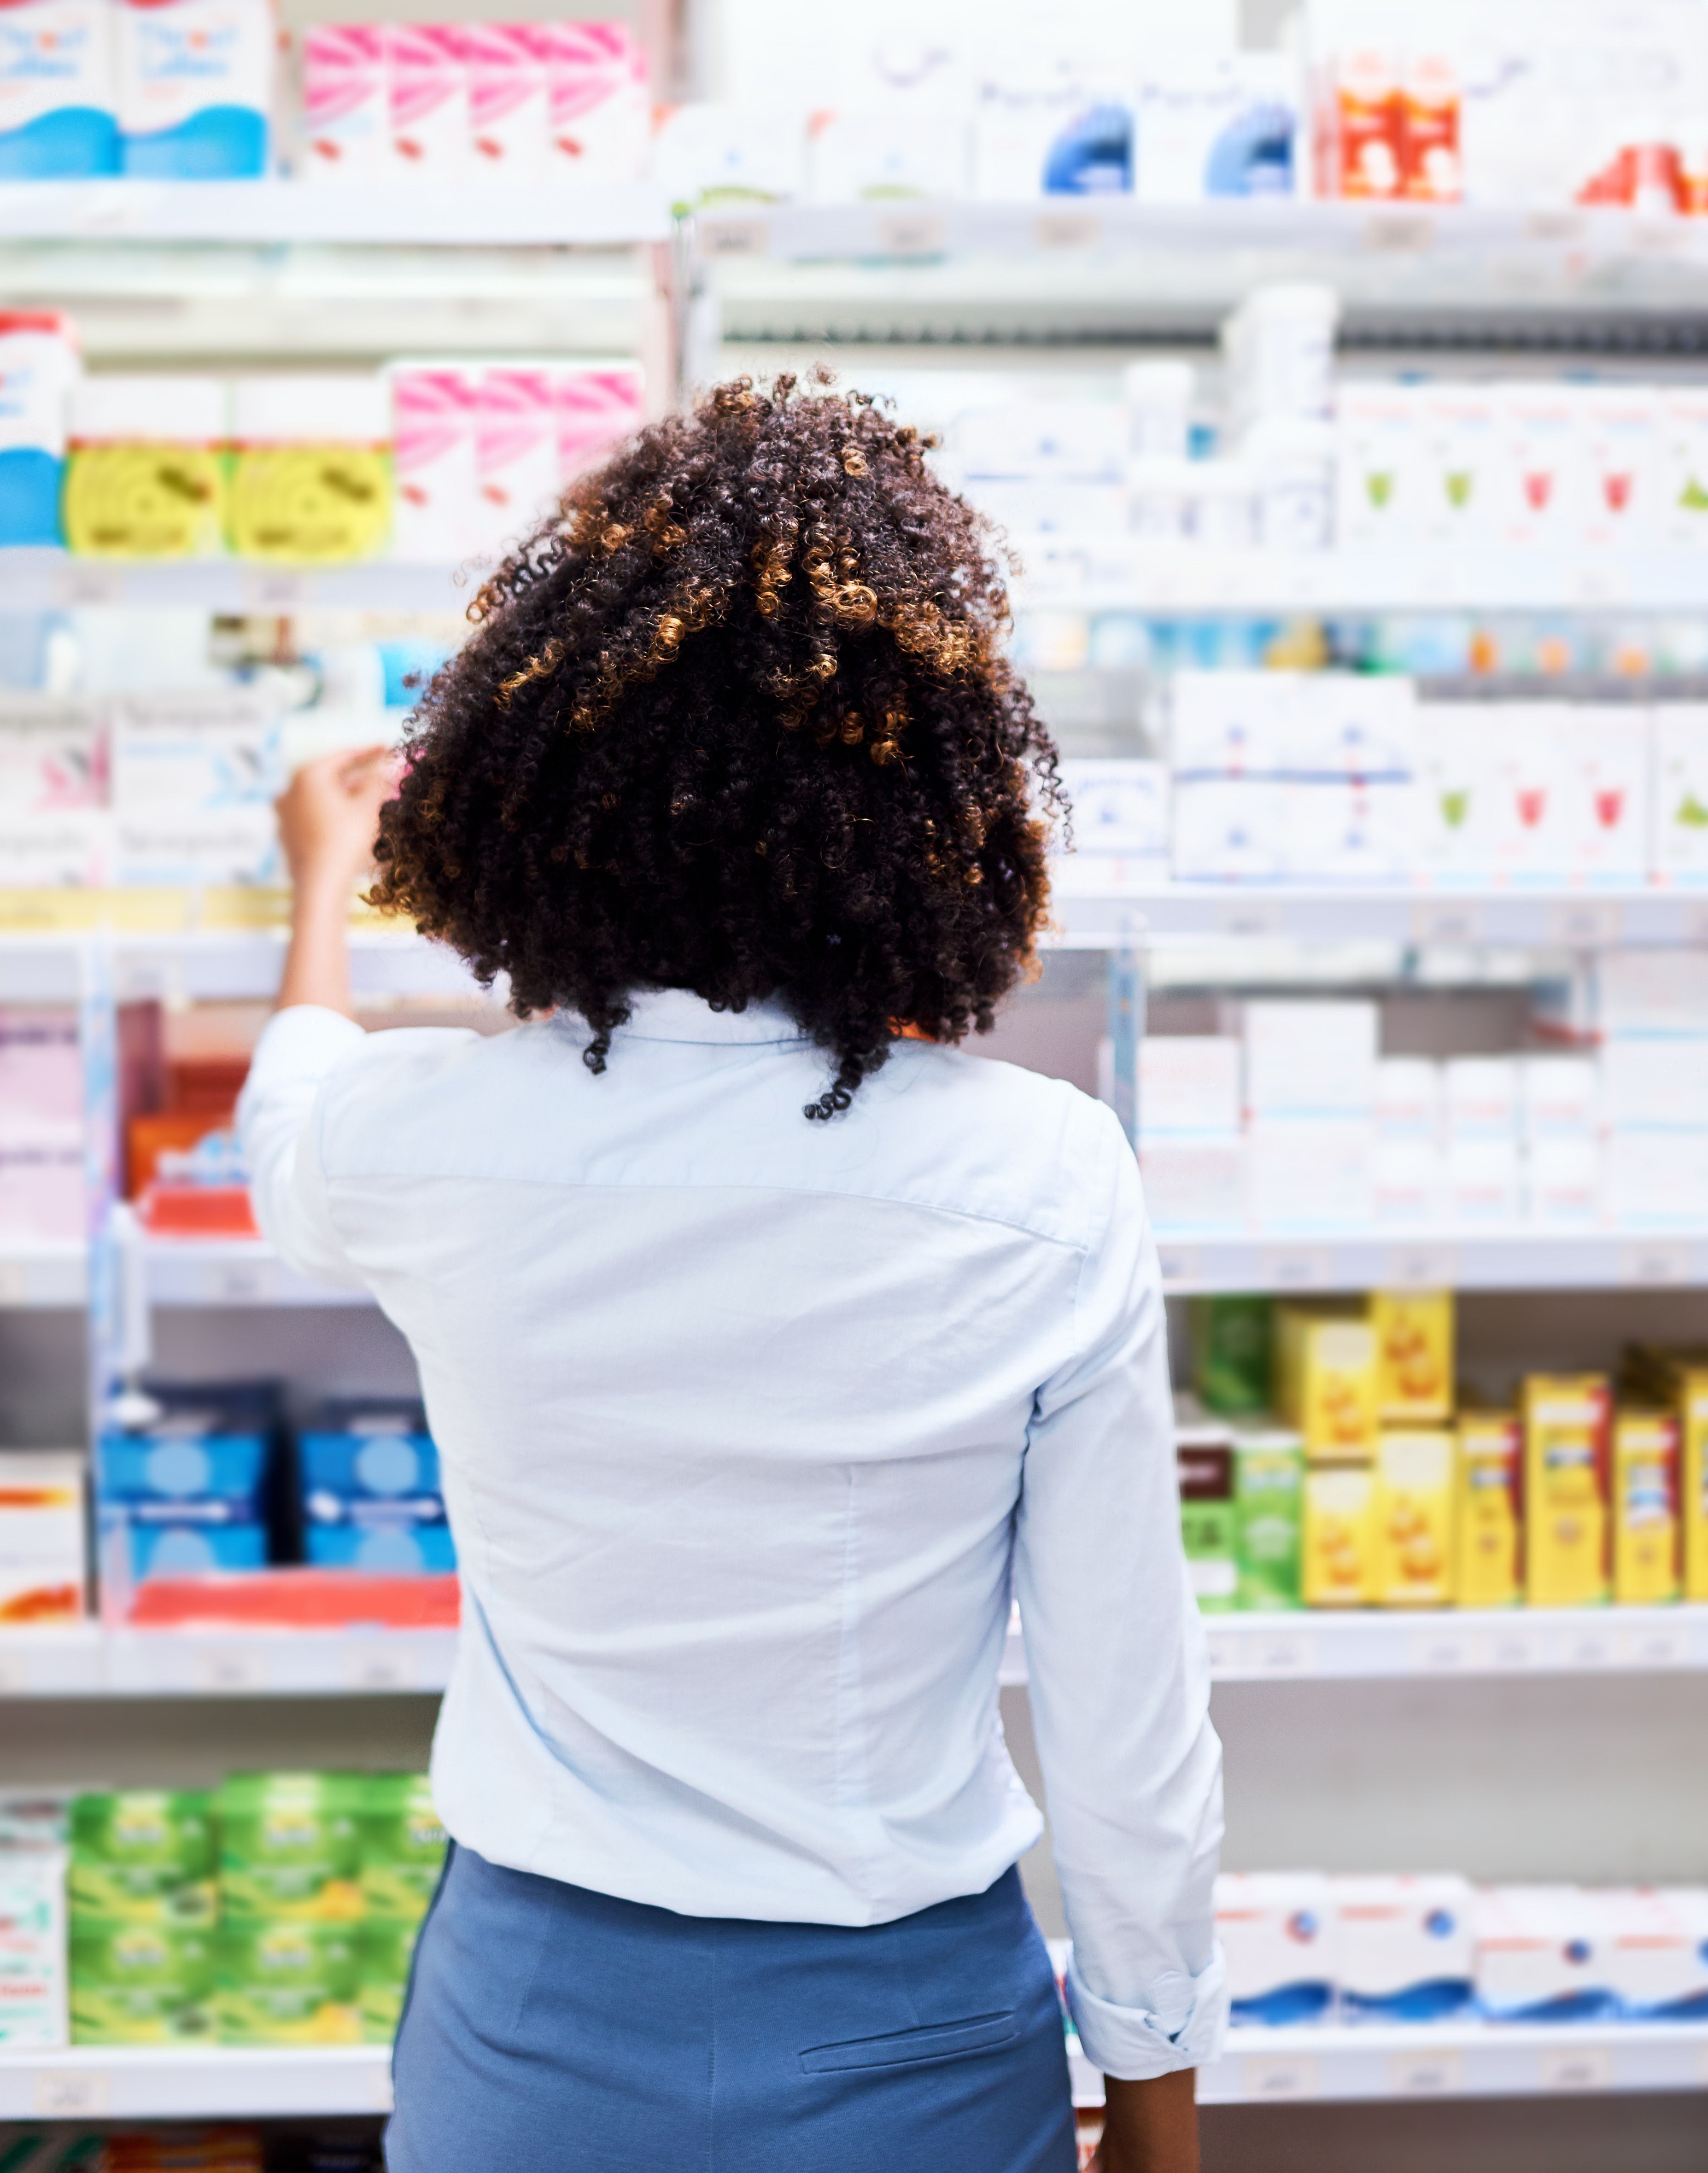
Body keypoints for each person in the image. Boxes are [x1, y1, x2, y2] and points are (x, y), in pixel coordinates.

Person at [241, 374, 1223, 2173]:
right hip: (907, 2043)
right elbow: (1120, 1707)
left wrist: (320, 878)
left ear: (541, 779)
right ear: (935, 796)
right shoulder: (1037, 1178)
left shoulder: (434, 1138)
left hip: (530, 2035)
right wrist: (1153, 2103)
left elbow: (286, 1113)